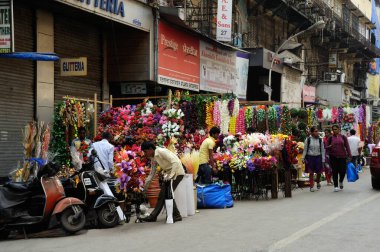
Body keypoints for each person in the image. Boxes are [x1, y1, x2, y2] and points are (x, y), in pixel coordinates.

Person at [140, 142, 185, 223]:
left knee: (166, 193)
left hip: (177, 173)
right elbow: (152, 173)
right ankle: (155, 216)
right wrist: (145, 187)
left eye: (145, 151)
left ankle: (176, 215)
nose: (145, 154)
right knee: (164, 194)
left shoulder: (160, 151)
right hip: (169, 174)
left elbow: (175, 161)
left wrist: (171, 175)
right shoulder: (153, 157)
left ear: (150, 149)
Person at [326, 125, 352, 192]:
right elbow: (325, 147)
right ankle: (336, 186)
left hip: (342, 157)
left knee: (342, 171)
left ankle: (341, 181)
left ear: (339, 129)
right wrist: (330, 146)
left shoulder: (343, 137)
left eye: (336, 129)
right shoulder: (330, 138)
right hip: (333, 157)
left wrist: (350, 155)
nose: (334, 130)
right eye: (333, 129)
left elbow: (347, 146)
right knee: (335, 171)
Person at [302, 126, 325, 192]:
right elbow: (305, 149)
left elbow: (323, 150)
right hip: (310, 157)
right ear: (311, 133)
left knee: (319, 172)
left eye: (317, 131)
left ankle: (318, 182)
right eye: (315, 131)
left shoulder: (320, 139)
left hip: (318, 157)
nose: (317, 132)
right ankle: (311, 186)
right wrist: (303, 158)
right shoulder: (308, 139)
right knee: (311, 172)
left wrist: (323, 159)